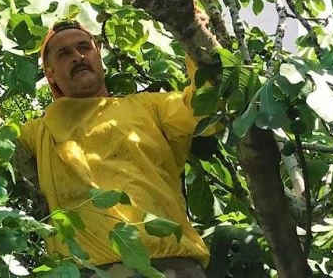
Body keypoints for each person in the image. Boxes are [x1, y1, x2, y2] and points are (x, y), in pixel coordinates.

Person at [17, 19, 213, 278]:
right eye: (64, 54)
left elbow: (207, 108)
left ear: (98, 55)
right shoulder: (39, 132)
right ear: (50, 74)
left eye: (84, 48)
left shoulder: (149, 107)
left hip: (171, 263)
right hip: (86, 271)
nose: (77, 57)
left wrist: (195, 33)